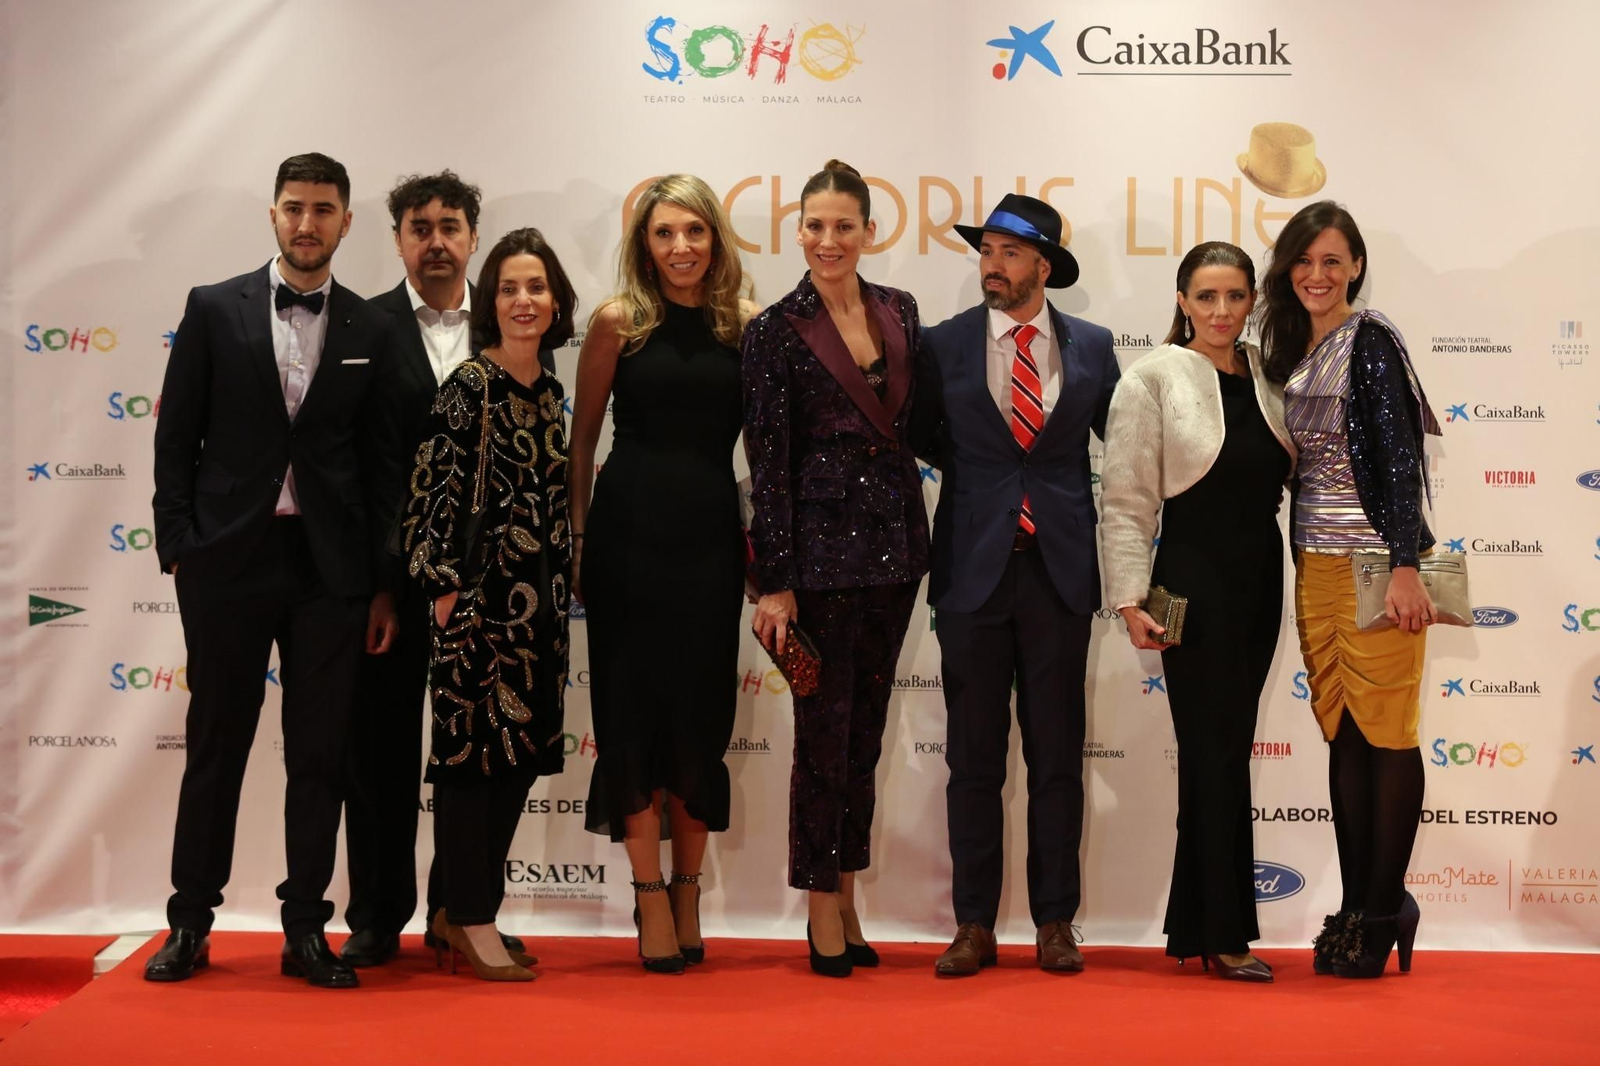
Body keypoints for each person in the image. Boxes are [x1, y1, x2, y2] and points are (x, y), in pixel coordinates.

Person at [147, 152, 401, 988]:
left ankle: (304, 930)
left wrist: (378, 583)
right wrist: (179, 539)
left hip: (328, 570)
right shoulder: (214, 308)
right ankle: (189, 921)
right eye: (294, 207)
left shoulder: (369, 325)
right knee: (216, 744)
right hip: (227, 560)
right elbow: (175, 434)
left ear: (346, 222)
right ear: (273, 215)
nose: (307, 223)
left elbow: (376, 466)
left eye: (324, 209)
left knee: (318, 754)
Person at [911, 193, 1118, 977]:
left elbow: (1123, 453)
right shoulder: (942, 345)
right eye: (985, 251)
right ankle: (972, 923)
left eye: (1007, 253)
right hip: (970, 571)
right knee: (973, 761)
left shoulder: (1093, 348)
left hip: (1060, 573)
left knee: (1058, 758)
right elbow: (924, 436)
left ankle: (1055, 921)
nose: (990, 266)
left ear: (1043, 266)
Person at [743, 160, 929, 978]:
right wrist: (774, 579)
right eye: (813, 226)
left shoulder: (900, 309)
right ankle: (820, 906)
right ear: (799, 232)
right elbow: (767, 462)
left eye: (842, 226)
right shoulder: (775, 328)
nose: (827, 240)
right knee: (822, 738)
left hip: (896, 551)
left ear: (868, 231)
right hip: (816, 559)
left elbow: (915, 422)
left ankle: (847, 893)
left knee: (863, 737)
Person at [569, 175, 756, 974]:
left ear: (716, 238)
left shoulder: (749, 327)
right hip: (626, 545)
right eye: (663, 234)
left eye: (694, 232)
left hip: (712, 545)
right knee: (631, 716)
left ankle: (687, 892)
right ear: (643, 244)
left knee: (699, 719)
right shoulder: (618, 323)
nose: (680, 247)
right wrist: (578, 539)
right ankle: (648, 896)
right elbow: (580, 444)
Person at [1099, 242, 1295, 983]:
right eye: (1206, 296)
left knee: (1226, 752)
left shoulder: (1269, 378)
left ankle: (1197, 923)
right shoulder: (1151, 376)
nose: (1221, 311)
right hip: (1188, 582)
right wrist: (1128, 598)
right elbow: (1124, 502)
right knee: (1213, 753)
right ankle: (1224, 933)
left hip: (1259, 581)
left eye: (1235, 297)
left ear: (1251, 302)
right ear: (1182, 299)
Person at [343, 169, 523, 969]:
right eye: (420, 227)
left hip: (493, 589)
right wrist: (385, 583)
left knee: (479, 758)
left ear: (474, 237)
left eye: (451, 226)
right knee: (379, 752)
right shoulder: (363, 325)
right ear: (398, 241)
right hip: (397, 586)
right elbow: (365, 467)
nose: (437, 241)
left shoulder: (517, 323)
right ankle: (378, 913)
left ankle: (462, 907)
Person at [1260, 200, 1440, 979]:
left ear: (1357, 266)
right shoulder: (1287, 341)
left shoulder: (1371, 341)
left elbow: (1402, 461)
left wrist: (1405, 564)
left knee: (1388, 732)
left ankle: (1381, 904)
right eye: (1303, 260)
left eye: (1332, 261)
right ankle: (1363, 902)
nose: (1316, 275)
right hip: (1314, 563)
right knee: (1344, 730)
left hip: (1375, 562)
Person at [398, 227, 575, 982]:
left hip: (542, 619)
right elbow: (429, 495)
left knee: (519, 765)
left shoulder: (551, 390)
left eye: (536, 287)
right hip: (479, 613)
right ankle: (472, 918)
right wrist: (444, 592)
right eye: (508, 287)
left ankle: (453, 910)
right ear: (489, 301)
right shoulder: (471, 384)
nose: (523, 300)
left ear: (556, 301)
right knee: (474, 766)